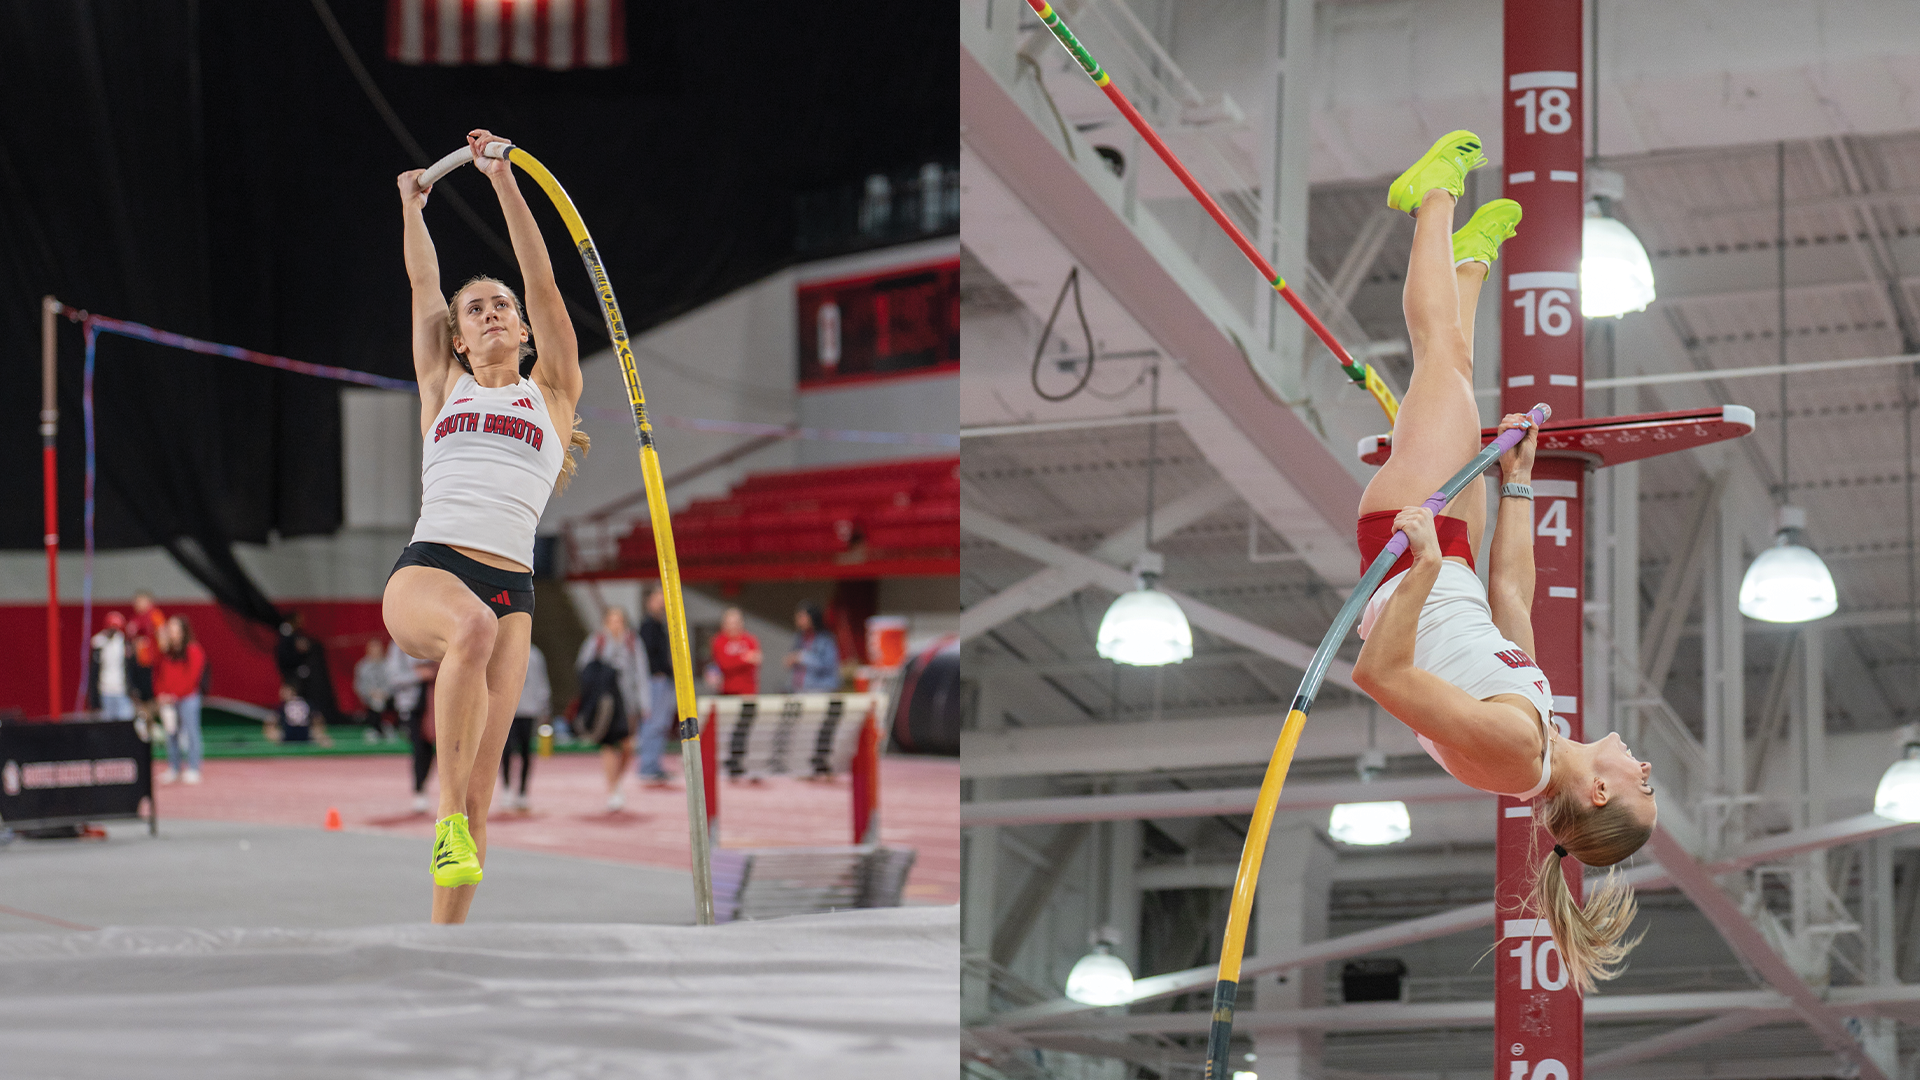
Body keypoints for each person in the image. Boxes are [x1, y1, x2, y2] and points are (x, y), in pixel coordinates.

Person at [1347, 130, 1652, 994]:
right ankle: (1472, 263)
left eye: (1642, 788)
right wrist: (1519, 488)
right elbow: (1513, 599)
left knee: (1439, 359)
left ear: (1600, 795)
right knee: (1458, 365)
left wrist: (1419, 558)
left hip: (1411, 554)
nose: (1645, 770)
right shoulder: (1540, 734)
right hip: (1448, 559)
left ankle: (1430, 194)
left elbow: (1379, 671)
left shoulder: (1514, 751)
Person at [383, 128, 590, 923]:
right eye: (476, 310)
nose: (494, 311)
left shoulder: (553, 394)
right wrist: (414, 208)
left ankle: (444, 944)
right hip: (428, 576)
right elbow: (423, 282)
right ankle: (440, 815)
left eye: (501, 305)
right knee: (468, 631)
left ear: (525, 330)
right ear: (458, 339)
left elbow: (541, 278)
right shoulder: (443, 388)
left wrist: (505, 182)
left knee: (484, 792)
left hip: (514, 593)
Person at [577, 606, 646, 810]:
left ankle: (616, 782)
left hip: (628, 702)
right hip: (606, 704)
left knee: (628, 746)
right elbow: (583, 668)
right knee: (608, 745)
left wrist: (645, 703)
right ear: (606, 622)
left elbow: (642, 672)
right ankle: (612, 789)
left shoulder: (633, 642)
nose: (615, 624)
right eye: (612, 620)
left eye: (619, 620)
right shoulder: (596, 641)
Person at [152, 615, 207, 784]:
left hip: (188, 699)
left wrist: (176, 695)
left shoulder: (193, 650)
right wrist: (161, 694)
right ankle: (174, 768)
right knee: (171, 734)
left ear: (183, 631)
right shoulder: (165, 652)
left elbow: (192, 678)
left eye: (176, 629)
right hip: (168, 701)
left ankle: (193, 768)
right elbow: (158, 675)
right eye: (170, 629)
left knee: (191, 733)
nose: (173, 633)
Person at [387, 642, 437, 813]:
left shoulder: (437, 640)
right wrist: (418, 675)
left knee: (436, 751)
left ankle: (433, 790)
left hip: (437, 704)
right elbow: (393, 678)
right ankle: (419, 791)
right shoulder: (399, 644)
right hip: (413, 706)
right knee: (419, 748)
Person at [500, 642, 549, 811]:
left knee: (526, 751)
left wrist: (544, 707)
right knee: (505, 750)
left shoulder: (535, 655)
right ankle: (506, 787)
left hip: (529, 710)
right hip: (508, 709)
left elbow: (542, 682)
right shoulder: (503, 650)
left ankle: (522, 791)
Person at [636, 589, 676, 787]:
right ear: (649, 601)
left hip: (663, 680)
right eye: (658, 600)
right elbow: (646, 657)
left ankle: (654, 764)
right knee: (653, 723)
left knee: (661, 724)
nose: (661, 604)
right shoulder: (648, 626)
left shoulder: (661, 625)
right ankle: (647, 766)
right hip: (655, 681)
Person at [127, 591, 166, 722]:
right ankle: (148, 724)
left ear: (149, 601)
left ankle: (155, 723)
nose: (137, 604)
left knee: (153, 697)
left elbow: (162, 636)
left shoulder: (155, 615)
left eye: (140, 600)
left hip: (152, 664)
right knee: (140, 697)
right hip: (139, 664)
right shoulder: (136, 618)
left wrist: (161, 656)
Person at [786, 600, 840, 692]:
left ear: (812, 617)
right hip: (800, 689)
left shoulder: (825, 639)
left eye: (802, 616)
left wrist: (802, 657)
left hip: (820, 689)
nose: (798, 620)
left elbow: (828, 665)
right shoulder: (800, 638)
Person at [90, 612, 135, 720]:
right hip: (106, 689)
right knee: (108, 724)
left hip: (121, 689)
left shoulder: (123, 642)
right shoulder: (99, 643)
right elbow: (94, 672)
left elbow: (129, 667)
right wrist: (94, 699)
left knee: (126, 721)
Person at [710, 606, 762, 695]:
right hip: (726, 692)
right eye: (729, 623)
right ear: (723, 624)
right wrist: (744, 658)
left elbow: (757, 660)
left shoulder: (750, 640)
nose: (733, 626)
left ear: (741, 622)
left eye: (735, 623)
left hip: (748, 692)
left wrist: (734, 660)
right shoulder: (719, 641)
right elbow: (723, 664)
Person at [354, 639, 396, 741]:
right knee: (375, 703)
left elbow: (393, 682)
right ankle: (376, 729)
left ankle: (392, 728)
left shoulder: (389, 665)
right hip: (370, 697)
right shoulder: (362, 666)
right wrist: (371, 693)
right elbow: (359, 686)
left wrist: (384, 693)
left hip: (388, 696)